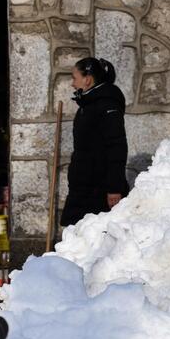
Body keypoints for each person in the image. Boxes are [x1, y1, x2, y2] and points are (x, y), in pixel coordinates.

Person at [60, 57, 129, 227]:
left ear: (88, 79)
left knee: (95, 234)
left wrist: (114, 188)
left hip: (99, 189)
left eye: (75, 78)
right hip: (84, 185)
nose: (72, 84)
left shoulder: (107, 105)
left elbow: (116, 146)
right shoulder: (88, 104)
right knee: (75, 233)